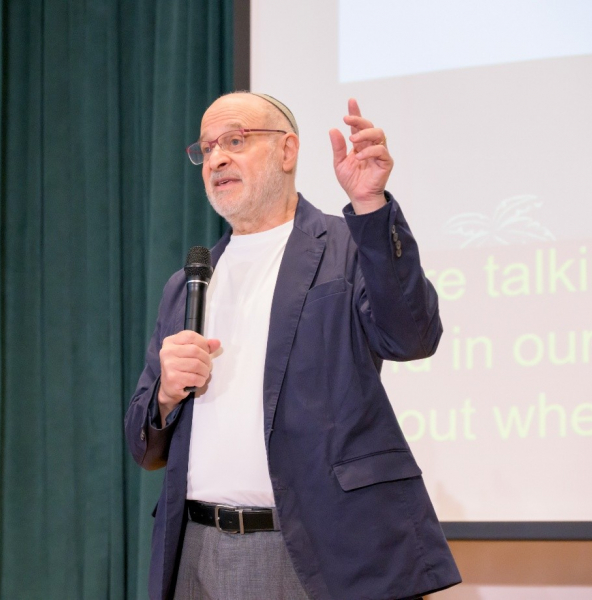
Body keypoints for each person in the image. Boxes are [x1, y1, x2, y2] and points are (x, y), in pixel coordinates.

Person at [125, 92, 461, 600]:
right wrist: (166, 395)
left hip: (316, 549)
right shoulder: (188, 283)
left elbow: (412, 336)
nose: (216, 159)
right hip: (196, 549)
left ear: (287, 151)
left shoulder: (348, 247)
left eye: (235, 141)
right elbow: (142, 444)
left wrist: (370, 206)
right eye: (207, 149)